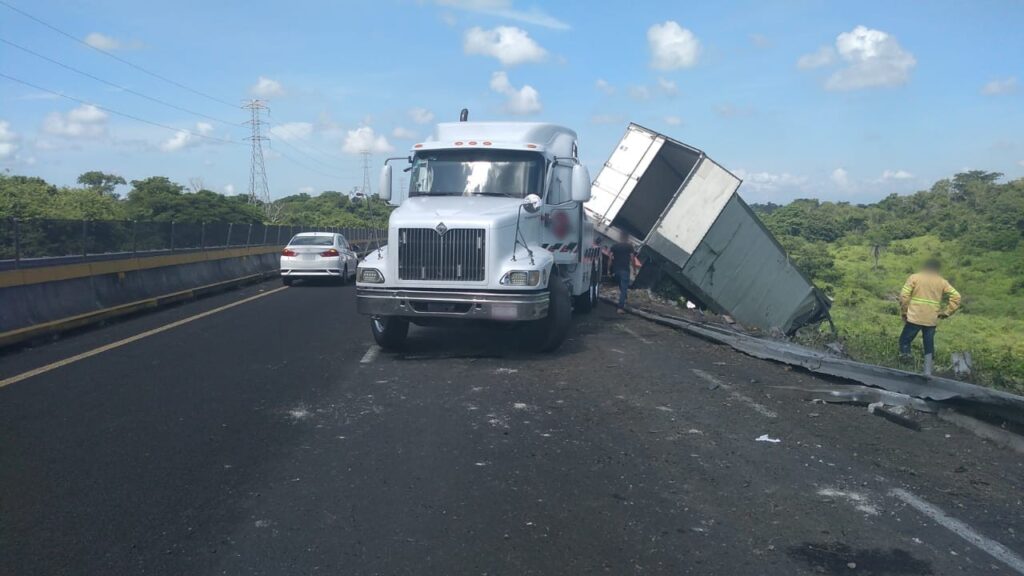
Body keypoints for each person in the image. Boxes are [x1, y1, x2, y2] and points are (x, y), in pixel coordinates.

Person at [898, 258, 961, 376]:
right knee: (928, 344)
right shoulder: (942, 282)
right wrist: (947, 312)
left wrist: (904, 311)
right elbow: (956, 296)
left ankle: (905, 367)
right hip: (931, 318)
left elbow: (904, 296)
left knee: (905, 341)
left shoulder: (914, 277)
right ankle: (928, 371)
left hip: (914, 316)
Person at [609, 238, 642, 314]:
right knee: (624, 288)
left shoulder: (614, 246)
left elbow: (610, 258)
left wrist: (608, 270)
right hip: (625, 270)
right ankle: (620, 308)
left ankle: (625, 299)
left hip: (616, 270)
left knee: (621, 285)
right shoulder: (629, 246)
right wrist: (634, 269)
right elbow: (632, 258)